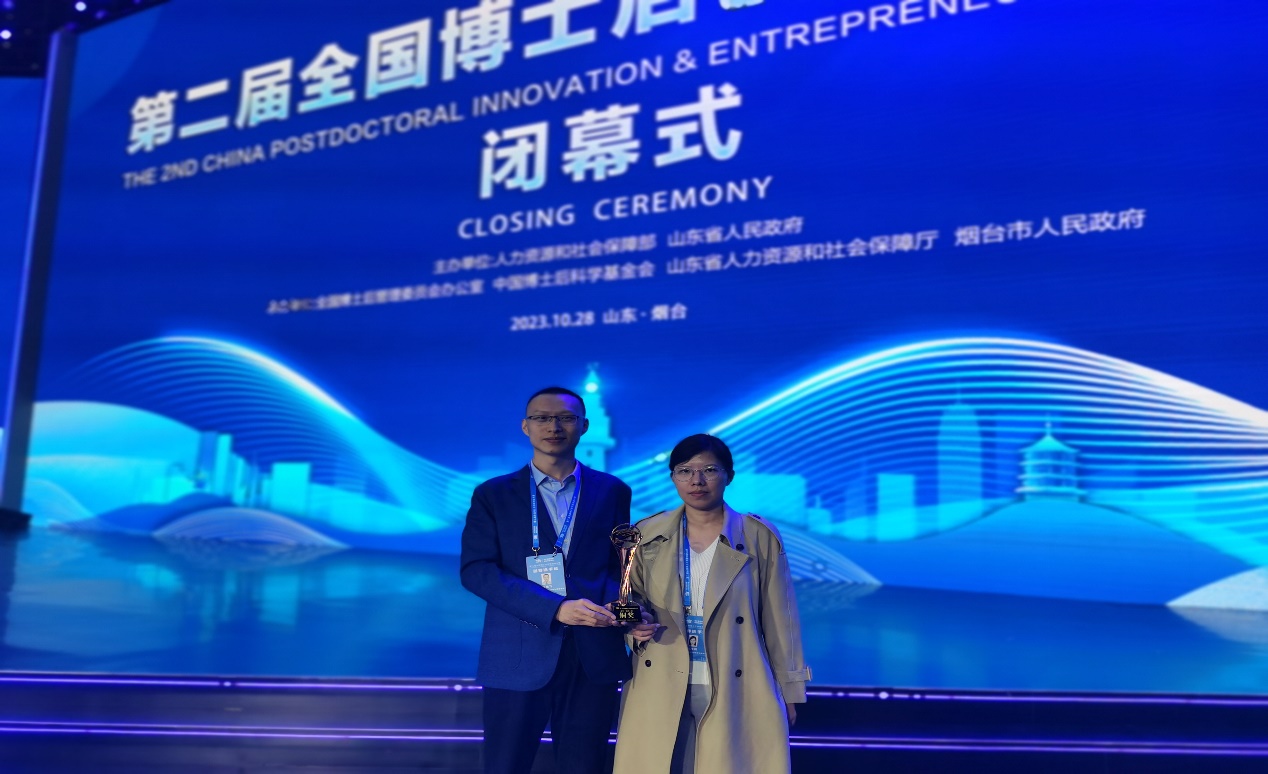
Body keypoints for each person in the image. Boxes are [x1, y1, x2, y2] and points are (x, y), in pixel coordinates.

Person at [460, 387, 634, 774]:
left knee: (585, 766)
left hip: (592, 656)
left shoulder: (612, 491)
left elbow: (618, 566)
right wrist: (555, 609)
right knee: (505, 766)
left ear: (584, 426)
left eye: (566, 418)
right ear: (525, 426)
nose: (554, 426)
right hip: (516, 654)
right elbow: (477, 570)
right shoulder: (493, 494)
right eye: (542, 418)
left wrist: (621, 609)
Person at [614, 434, 810, 774]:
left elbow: (782, 619)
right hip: (661, 676)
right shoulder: (646, 534)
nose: (697, 481)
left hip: (739, 680)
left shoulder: (758, 536)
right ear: (673, 477)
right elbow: (632, 601)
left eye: (709, 470)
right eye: (685, 471)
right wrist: (634, 627)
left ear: (729, 476)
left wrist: (790, 689)